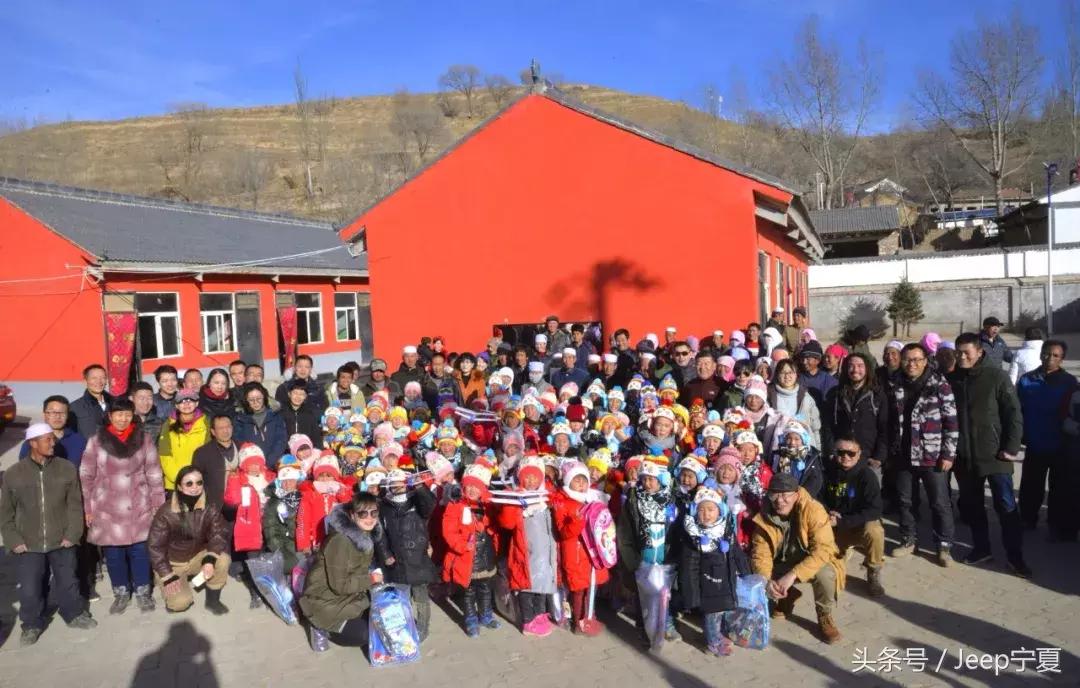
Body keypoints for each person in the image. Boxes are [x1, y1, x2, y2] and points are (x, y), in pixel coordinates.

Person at [1, 423, 97, 646]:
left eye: (53, 439)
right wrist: (13, 540)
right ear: (33, 443)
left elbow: (75, 505)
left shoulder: (66, 469)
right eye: (47, 439)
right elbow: (6, 512)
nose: (53, 443)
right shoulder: (14, 474)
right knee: (30, 588)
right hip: (28, 543)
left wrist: (73, 534)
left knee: (68, 582)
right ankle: (31, 624)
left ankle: (74, 614)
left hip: (62, 539)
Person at [949, 332, 1027, 576]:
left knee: (1006, 506)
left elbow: (1013, 413)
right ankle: (982, 549)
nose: (962, 357)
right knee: (973, 506)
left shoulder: (996, 377)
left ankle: (1015, 556)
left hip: (996, 455)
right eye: (958, 352)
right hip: (965, 457)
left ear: (979, 352)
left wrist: (1011, 447)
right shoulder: (952, 379)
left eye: (967, 352)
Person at [80, 398, 166, 615]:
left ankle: (143, 592)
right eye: (118, 414)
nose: (123, 419)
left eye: (127, 414)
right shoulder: (96, 441)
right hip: (107, 508)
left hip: (139, 504)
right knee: (114, 555)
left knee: (140, 552)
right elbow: (86, 475)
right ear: (110, 416)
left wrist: (158, 503)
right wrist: (88, 508)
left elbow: (154, 473)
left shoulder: (143, 439)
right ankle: (120, 592)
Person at [750, 473, 845, 644]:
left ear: (796, 494)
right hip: (782, 561)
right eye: (774, 495)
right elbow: (761, 554)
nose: (780, 501)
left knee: (826, 574)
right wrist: (766, 581)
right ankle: (788, 595)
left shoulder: (814, 509)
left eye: (785, 495)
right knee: (754, 570)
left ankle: (824, 614)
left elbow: (823, 550)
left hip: (810, 559)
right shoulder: (764, 515)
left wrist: (793, 575)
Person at [887, 343, 957, 566]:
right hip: (903, 453)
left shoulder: (939, 384)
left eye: (917, 359)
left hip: (932, 454)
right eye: (907, 359)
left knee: (939, 502)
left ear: (926, 361)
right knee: (905, 501)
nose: (912, 364)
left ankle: (944, 546)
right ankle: (908, 539)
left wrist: (948, 454)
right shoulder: (894, 383)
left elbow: (951, 421)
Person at [299, 493, 384, 652]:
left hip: (350, 597)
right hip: (326, 602)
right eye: (363, 513)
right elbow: (340, 586)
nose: (369, 518)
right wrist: (371, 579)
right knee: (366, 634)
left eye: (374, 513)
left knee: (387, 618)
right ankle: (321, 627)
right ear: (352, 515)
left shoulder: (364, 537)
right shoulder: (340, 541)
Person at [147, 465, 231, 615]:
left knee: (223, 559)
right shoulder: (166, 512)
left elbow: (219, 533)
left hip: (197, 556)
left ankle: (212, 600)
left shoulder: (209, 506)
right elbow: (155, 547)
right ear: (179, 487)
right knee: (180, 604)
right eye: (189, 483)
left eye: (199, 483)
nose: (195, 487)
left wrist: (209, 559)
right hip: (173, 564)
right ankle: (170, 583)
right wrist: (167, 575)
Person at [677, 487, 748, 657]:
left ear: (720, 511)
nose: (706, 514)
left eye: (711, 509)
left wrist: (745, 571)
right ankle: (712, 644)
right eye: (701, 510)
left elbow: (736, 552)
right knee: (712, 616)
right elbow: (689, 567)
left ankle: (718, 635)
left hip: (725, 582)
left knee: (721, 613)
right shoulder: (694, 537)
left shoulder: (725, 530)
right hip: (707, 586)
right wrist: (692, 594)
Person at [1016, 340, 1077, 539]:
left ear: (1062, 359)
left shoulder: (1070, 383)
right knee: (1031, 485)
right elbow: (1017, 410)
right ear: (1041, 354)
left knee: (1059, 489)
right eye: (1047, 353)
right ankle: (1027, 519)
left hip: (1061, 445)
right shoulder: (1026, 380)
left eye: (1055, 355)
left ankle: (1057, 526)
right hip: (1035, 443)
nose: (1050, 358)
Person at [494, 456, 559, 638]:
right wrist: (512, 506)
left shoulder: (546, 497)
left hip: (545, 552)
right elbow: (507, 524)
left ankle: (540, 614)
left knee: (542, 584)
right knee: (526, 586)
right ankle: (528, 620)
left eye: (535, 477)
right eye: (527, 477)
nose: (531, 481)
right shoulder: (516, 499)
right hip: (525, 552)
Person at [441, 460, 502, 637]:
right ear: (463, 486)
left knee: (485, 589)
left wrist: (489, 528)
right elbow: (449, 532)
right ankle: (470, 619)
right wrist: (461, 545)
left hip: (485, 556)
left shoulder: (487, 505)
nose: (473, 490)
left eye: (477, 487)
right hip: (466, 558)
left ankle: (486, 615)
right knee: (468, 592)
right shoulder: (455, 506)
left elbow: (495, 525)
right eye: (469, 486)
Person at [821, 435, 885, 597]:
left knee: (875, 530)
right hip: (832, 524)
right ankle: (842, 553)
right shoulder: (827, 472)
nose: (846, 457)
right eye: (841, 452)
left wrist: (844, 521)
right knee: (828, 573)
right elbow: (817, 498)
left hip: (856, 524)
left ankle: (873, 571)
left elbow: (875, 509)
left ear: (859, 454)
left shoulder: (867, 475)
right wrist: (828, 512)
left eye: (851, 453)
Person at [552, 460, 611, 637]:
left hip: (592, 553)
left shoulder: (591, 499)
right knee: (578, 590)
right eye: (577, 480)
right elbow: (563, 532)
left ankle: (589, 616)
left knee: (591, 587)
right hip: (575, 554)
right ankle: (578, 622)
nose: (581, 484)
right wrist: (577, 522)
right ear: (568, 481)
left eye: (584, 480)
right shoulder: (562, 502)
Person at [379, 469, 438, 641]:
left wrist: (419, 486)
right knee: (401, 595)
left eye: (400, 481)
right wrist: (385, 553)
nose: (397, 485)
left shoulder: (416, 500)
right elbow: (380, 533)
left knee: (421, 595)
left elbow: (429, 506)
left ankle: (423, 627)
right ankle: (404, 623)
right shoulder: (384, 505)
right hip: (397, 558)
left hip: (418, 556)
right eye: (393, 482)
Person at [224, 443, 276, 609]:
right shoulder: (240, 480)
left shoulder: (270, 477)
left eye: (257, 463)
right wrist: (233, 480)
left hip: (270, 525)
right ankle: (256, 592)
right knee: (253, 561)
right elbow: (232, 500)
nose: (254, 467)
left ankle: (271, 590)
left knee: (269, 558)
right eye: (250, 463)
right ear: (244, 465)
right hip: (250, 527)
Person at [820, 353, 888, 469]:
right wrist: (831, 451)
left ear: (867, 369)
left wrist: (879, 457)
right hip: (841, 456)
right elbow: (828, 426)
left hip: (868, 458)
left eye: (860, 366)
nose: (855, 370)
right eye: (851, 366)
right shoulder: (836, 394)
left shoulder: (877, 394)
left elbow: (884, 428)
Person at [158, 388, 211, 493]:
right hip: (175, 483)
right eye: (182, 401)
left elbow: (209, 453)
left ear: (197, 403)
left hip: (199, 483)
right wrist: (179, 478)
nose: (186, 404)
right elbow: (164, 455)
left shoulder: (207, 422)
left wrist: (195, 479)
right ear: (176, 405)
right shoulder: (168, 424)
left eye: (190, 400)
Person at [18, 395, 87, 466]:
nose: (58, 416)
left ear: (67, 415)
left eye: (62, 413)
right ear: (45, 414)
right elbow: (24, 468)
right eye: (53, 412)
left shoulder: (80, 441)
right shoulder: (33, 442)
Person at [767, 359, 821, 449]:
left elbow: (815, 428)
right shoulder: (768, 395)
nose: (787, 376)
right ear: (777, 374)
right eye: (783, 372)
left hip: (803, 449)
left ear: (796, 375)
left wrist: (817, 449)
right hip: (776, 448)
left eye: (790, 372)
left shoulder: (806, 397)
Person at [233, 382, 288, 468]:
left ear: (264, 397)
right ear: (246, 400)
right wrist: (255, 462)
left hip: (273, 464)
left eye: (259, 398)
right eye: (251, 400)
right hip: (251, 466)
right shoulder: (240, 419)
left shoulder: (275, 416)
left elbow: (280, 441)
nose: (256, 402)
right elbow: (240, 443)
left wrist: (269, 463)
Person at [191, 414, 239, 508]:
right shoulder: (202, 453)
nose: (225, 431)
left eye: (228, 427)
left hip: (241, 505)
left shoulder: (243, 448)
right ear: (213, 431)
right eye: (221, 428)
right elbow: (196, 481)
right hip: (215, 506)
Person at [69, 363, 112, 440]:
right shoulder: (74, 408)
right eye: (94, 378)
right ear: (85, 381)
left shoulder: (115, 403)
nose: (99, 381)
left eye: (103, 378)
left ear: (106, 381)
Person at [280, 378, 323, 448]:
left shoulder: (310, 414)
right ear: (289, 394)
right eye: (295, 393)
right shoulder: (281, 413)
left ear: (305, 396)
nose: (298, 397)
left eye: (302, 394)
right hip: (286, 450)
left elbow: (316, 438)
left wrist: (317, 450)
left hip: (306, 450)